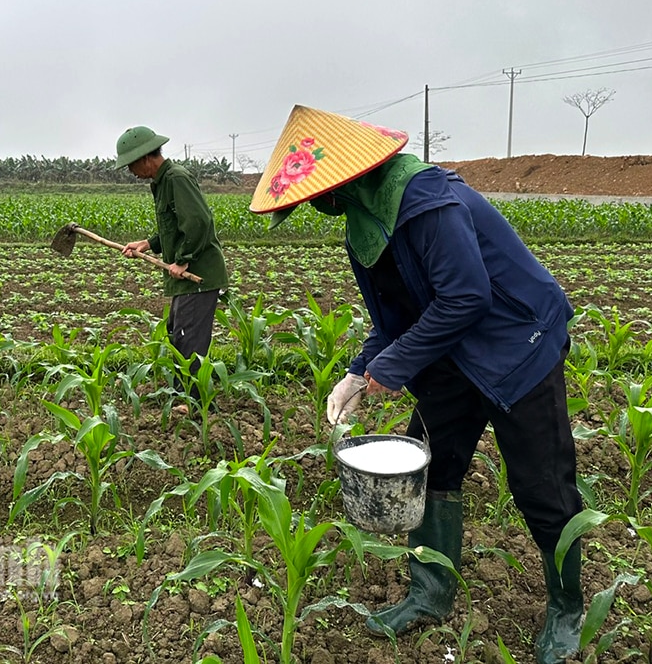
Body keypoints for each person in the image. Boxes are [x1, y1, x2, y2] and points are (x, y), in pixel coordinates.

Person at [250, 105, 584, 664]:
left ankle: (567, 607)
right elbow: (392, 321)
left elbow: (467, 296)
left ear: (344, 179)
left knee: (540, 486)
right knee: (429, 468)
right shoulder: (363, 226)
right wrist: (360, 370)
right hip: (454, 354)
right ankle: (429, 595)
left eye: (315, 195)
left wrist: (392, 367)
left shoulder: (427, 200)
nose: (314, 206)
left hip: (517, 344)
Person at [115, 126, 229, 414]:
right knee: (177, 335)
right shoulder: (162, 182)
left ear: (145, 158)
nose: (131, 171)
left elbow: (199, 221)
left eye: (130, 164)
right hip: (185, 275)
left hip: (198, 276)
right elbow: (175, 226)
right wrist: (148, 243)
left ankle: (199, 406)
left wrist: (185, 258)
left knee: (189, 340)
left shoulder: (176, 178)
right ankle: (188, 399)